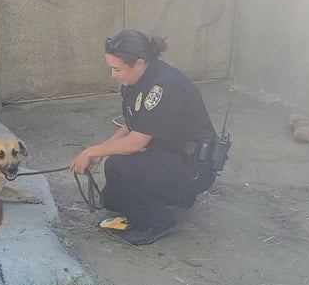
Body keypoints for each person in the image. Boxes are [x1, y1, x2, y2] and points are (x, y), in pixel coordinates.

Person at [70, 29, 219, 245]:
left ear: (139, 63)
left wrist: (92, 151)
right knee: (112, 199)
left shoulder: (164, 87)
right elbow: (132, 125)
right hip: (171, 155)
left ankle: (158, 223)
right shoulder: (139, 80)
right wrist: (101, 149)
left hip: (193, 169)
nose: (114, 75)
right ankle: (174, 196)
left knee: (119, 166)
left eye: (117, 69)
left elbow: (136, 143)